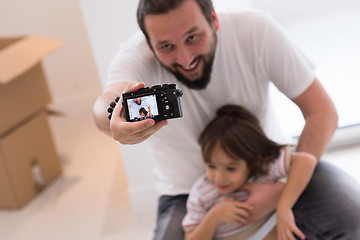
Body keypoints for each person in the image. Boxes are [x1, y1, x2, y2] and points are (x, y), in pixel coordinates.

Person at [92, 0, 360, 239]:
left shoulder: (254, 31)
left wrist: (281, 192)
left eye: (193, 37)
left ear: (214, 20)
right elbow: (105, 103)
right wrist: (111, 119)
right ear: (148, 44)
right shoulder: (134, 59)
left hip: (267, 167)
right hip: (185, 192)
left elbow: (322, 112)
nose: (185, 58)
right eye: (166, 46)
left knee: (351, 213)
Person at [183, 105, 316, 240]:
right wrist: (213, 217)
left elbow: (306, 161)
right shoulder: (201, 194)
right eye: (211, 166)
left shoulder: (264, 167)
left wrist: (284, 208)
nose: (219, 178)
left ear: (254, 160)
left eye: (231, 168)